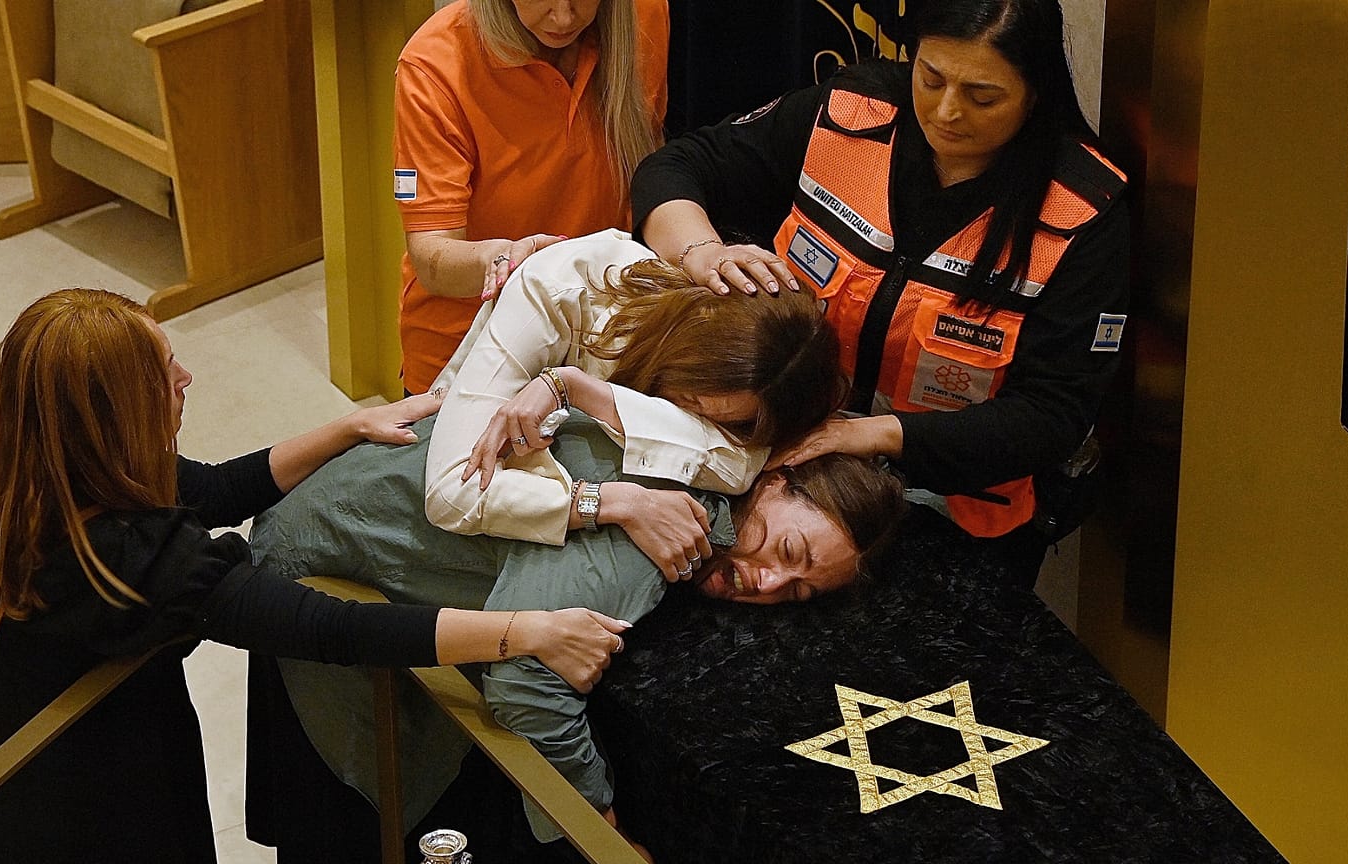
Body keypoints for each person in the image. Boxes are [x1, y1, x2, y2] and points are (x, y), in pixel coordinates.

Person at [0, 288, 631, 864]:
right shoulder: (136, 561)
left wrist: (347, 429)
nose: (186, 377)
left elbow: (214, 488)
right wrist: (525, 630)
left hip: (27, 785)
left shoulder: (19, 477)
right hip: (115, 812)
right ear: (112, 415)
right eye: (163, 374)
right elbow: (330, 626)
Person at [248, 409, 905, 858]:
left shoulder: (703, 446)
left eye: (796, 590)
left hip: (352, 514)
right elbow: (524, 684)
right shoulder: (657, 535)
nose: (764, 582)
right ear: (775, 480)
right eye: (783, 549)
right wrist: (603, 828)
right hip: (324, 575)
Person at [631, 0, 1131, 585]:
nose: (947, 111)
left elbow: (1053, 415)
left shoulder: (1082, 208)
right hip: (777, 476)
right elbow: (679, 165)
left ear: (1035, 92)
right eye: (932, 78)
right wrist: (702, 253)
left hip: (956, 514)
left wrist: (873, 436)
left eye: (983, 96)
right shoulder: (850, 114)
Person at [425, 228, 848, 580]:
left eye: (715, 419)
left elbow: (739, 467)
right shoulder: (560, 287)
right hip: (436, 435)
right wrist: (615, 503)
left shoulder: (761, 403)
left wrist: (572, 388)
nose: (689, 415)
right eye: (691, 398)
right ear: (697, 328)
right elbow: (451, 495)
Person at [393, 0, 669, 394]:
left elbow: (649, 170)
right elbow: (432, 259)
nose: (562, 16)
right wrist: (507, 262)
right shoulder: (435, 64)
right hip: (467, 349)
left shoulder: (644, 13)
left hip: (600, 337)